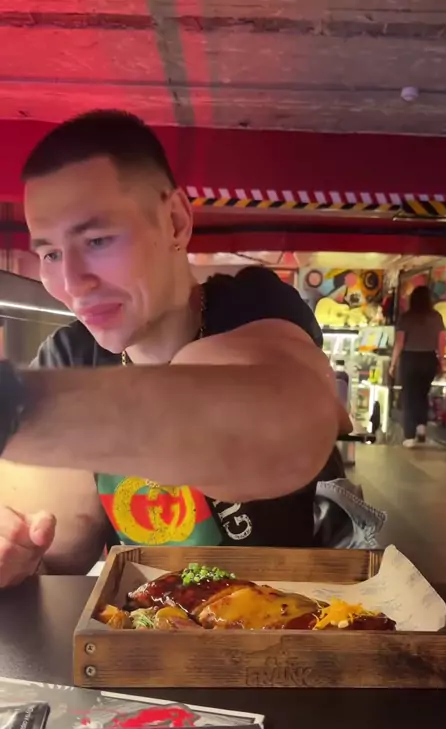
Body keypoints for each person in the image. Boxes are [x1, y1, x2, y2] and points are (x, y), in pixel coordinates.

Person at [0, 110, 352, 588]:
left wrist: (16, 407)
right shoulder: (69, 355)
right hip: (150, 622)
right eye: (50, 254)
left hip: (299, 613)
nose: (72, 283)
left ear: (175, 221)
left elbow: (286, 424)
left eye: (97, 240)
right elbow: (54, 549)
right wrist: (17, 554)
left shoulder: (255, 306)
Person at [389, 285, 445, 448]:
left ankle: (409, 435)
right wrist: (442, 362)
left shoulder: (406, 318)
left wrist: (393, 363)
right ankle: (421, 428)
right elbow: (441, 342)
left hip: (410, 358)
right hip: (429, 359)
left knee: (409, 396)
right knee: (422, 394)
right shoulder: (436, 317)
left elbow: (399, 342)